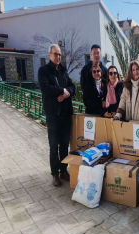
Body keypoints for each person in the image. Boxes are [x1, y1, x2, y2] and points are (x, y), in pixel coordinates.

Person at [38, 44, 76, 187]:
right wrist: (62, 91)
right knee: (54, 145)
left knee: (64, 144)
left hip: (65, 114)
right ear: (49, 55)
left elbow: (73, 87)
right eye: (55, 54)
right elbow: (45, 88)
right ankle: (55, 174)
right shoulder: (43, 71)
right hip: (53, 114)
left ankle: (63, 170)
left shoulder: (63, 71)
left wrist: (66, 93)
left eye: (60, 54)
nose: (58, 57)